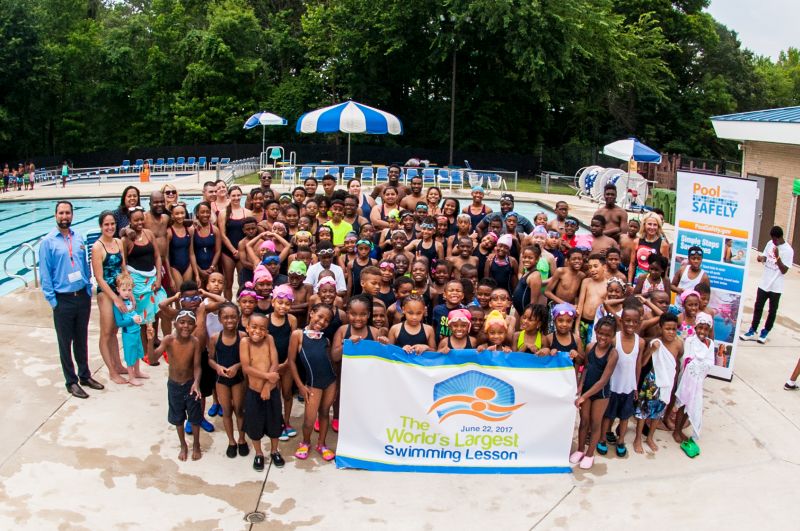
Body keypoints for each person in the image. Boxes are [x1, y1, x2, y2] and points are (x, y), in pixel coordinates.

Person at [40, 201, 104, 399]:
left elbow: (84, 265)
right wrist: (53, 302)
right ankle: (71, 381)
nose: (64, 216)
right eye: (61, 213)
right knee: (65, 343)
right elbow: (45, 275)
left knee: (81, 339)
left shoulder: (78, 238)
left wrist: (87, 288)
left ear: (72, 215)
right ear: (55, 215)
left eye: (68, 213)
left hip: (81, 297)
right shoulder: (48, 242)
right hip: (63, 299)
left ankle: (84, 375)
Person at [289, 304, 338, 462]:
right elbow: (291, 362)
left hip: (329, 382)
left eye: (327, 320)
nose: (322, 321)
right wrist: (300, 385)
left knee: (324, 413)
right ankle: (305, 442)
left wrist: (335, 384)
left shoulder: (325, 339)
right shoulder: (298, 335)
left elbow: (329, 361)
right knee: (309, 420)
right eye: (319, 316)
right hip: (312, 384)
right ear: (311, 313)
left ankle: (321, 444)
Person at [571, 316, 618, 470]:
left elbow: (603, 381)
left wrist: (585, 396)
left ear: (613, 336)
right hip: (586, 390)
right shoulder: (590, 346)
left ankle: (590, 454)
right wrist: (580, 387)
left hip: (601, 394)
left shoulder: (613, 354)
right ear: (596, 331)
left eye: (607, 335)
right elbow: (586, 369)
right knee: (583, 421)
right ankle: (580, 450)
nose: (603, 337)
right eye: (600, 333)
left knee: (595, 423)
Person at [597, 305, 644, 458]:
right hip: (613, 385)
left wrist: (636, 386)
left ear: (639, 323)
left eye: (635, 321)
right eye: (627, 321)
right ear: (621, 320)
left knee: (624, 417)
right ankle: (603, 439)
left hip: (629, 386)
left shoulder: (640, 342)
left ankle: (621, 441)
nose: (631, 324)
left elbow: (637, 364)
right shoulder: (614, 339)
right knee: (608, 415)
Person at [154, 310, 202, 461]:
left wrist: (196, 382)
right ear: (175, 324)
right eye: (182, 322)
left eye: (189, 323)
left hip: (190, 385)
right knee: (178, 418)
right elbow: (153, 356)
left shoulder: (195, 342)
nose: (186, 326)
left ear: (194, 326)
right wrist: (150, 341)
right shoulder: (168, 340)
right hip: (174, 386)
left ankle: (196, 444)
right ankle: (183, 445)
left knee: (194, 418)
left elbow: (197, 366)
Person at [633, 313, 681, 454]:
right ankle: (637, 438)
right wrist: (652, 350)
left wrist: (674, 383)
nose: (671, 332)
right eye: (668, 329)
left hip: (667, 384)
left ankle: (650, 438)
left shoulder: (679, 344)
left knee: (658, 413)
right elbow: (642, 363)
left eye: (674, 329)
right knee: (643, 412)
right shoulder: (656, 342)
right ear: (660, 328)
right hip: (652, 382)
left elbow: (677, 363)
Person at [90, 211, 128, 384]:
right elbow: (99, 277)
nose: (110, 227)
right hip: (106, 293)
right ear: (100, 226)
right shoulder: (97, 247)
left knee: (115, 330)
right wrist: (115, 298)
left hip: (120, 291)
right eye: (106, 224)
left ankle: (118, 365)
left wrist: (128, 291)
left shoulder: (119, 242)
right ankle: (112, 371)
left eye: (112, 224)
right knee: (106, 332)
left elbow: (124, 268)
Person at [208, 303, 249, 459]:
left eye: (233, 317)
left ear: (238, 318)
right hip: (221, 379)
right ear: (219, 319)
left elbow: (247, 360)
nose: (229, 320)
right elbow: (210, 359)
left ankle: (242, 439)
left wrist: (237, 366)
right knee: (226, 411)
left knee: (239, 410)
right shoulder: (214, 338)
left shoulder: (243, 337)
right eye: (225, 317)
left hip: (238, 379)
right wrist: (218, 367)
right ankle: (231, 441)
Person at [740, 225, 793, 344]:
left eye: (775, 240)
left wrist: (778, 256)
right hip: (764, 283)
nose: (774, 242)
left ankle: (765, 331)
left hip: (776, 286)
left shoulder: (788, 250)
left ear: (780, 238)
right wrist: (761, 258)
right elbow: (765, 257)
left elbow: (784, 271)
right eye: (772, 239)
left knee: (772, 311)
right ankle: (752, 330)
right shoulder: (770, 243)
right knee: (758, 307)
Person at [673, 312, 714, 457]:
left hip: (698, 380)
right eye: (700, 328)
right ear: (696, 327)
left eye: (705, 329)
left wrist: (701, 367)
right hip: (687, 379)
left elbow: (710, 362)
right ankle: (676, 430)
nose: (702, 332)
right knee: (683, 404)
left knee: (691, 405)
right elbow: (686, 358)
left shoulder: (710, 344)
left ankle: (681, 428)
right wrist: (695, 364)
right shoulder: (690, 341)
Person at [112, 273, 149, 386]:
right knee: (130, 355)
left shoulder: (130, 301)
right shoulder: (118, 304)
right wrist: (133, 320)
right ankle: (131, 376)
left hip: (136, 331)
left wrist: (138, 317)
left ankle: (137, 372)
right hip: (128, 334)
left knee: (138, 352)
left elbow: (133, 313)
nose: (127, 292)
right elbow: (120, 322)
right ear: (118, 289)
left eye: (129, 290)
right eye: (124, 290)